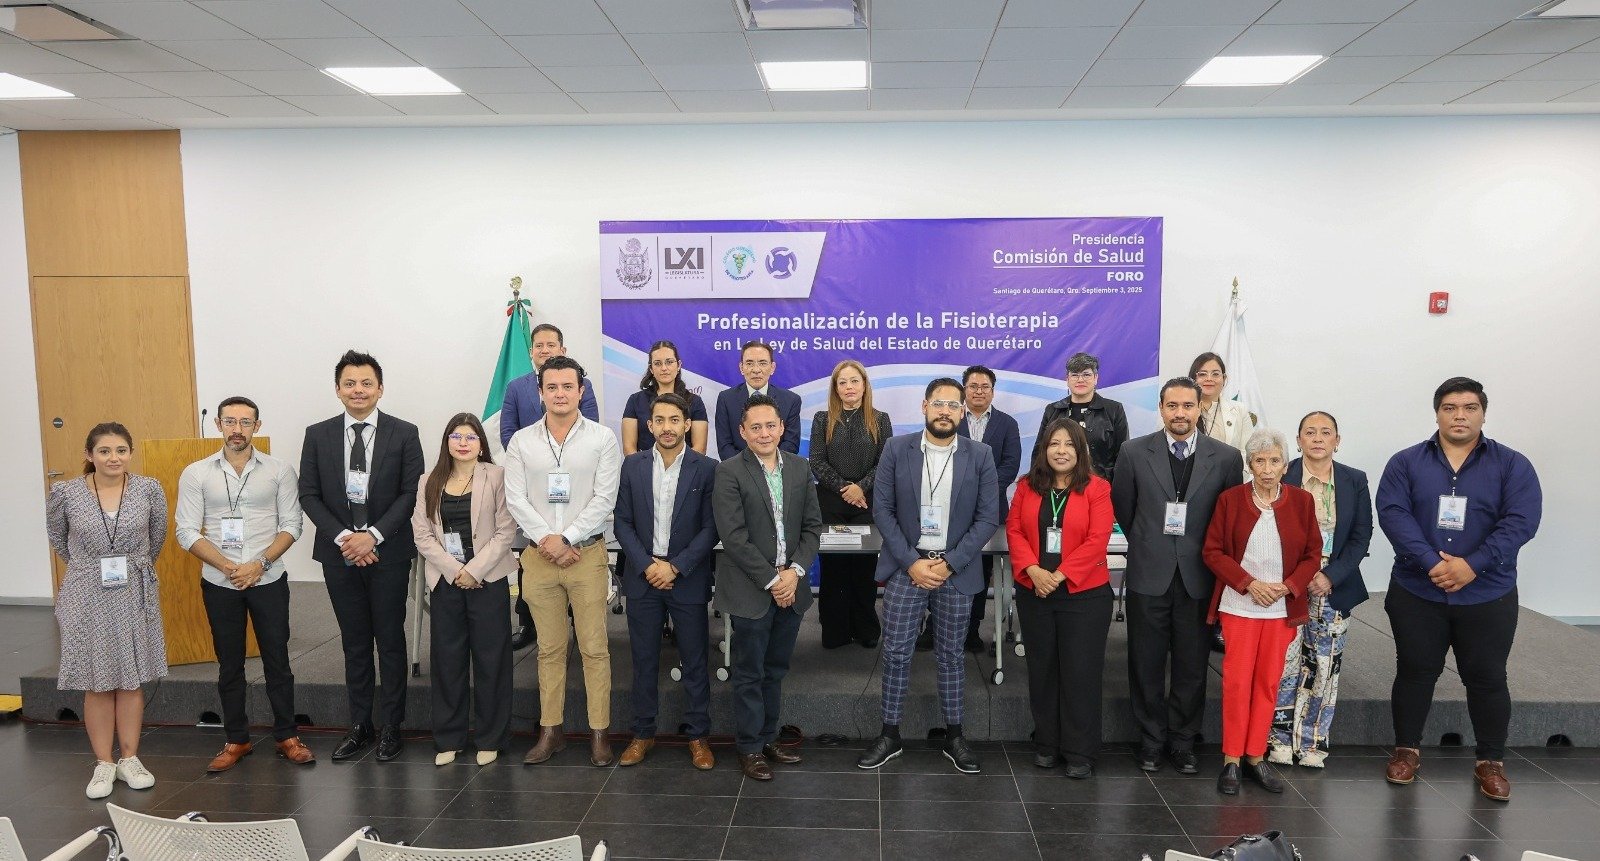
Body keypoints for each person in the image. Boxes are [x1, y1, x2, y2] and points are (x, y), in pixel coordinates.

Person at [1377, 377, 1541, 802]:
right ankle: (1406, 750)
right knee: (1415, 671)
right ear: (1437, 414)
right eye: (1450, 408)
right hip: (1418, 589)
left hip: (1487, 592)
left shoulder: (1513, 465)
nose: (1460, 416)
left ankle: (1490, 761)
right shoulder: (1405, 462)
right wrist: (1433, 563)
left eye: (1470, 407)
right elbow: (1393, 514)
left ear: (1483, 413)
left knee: (1487, 677)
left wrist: (1472, 565)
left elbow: (1521, 521)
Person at [856, 378, 999, 775]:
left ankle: (955, 737)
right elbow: (882, 510)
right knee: (896, 652)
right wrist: (912, 563)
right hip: (908, 568)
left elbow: (988, 517)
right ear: (924, 406)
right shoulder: (895, 448)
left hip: (956, 570)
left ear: (962, 412)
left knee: (952, 656)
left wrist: (950, 563)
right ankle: (890, 735)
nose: (945, 411)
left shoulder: (981, 454)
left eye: (953, 405)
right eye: (938, 403)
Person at [1111, 377, 1245, 773]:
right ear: (1161, 408)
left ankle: (1184, 742)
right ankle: (1151, 741)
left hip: (1199, 576)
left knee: (1191, 665)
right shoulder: (1133, 452)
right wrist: (1152, 543)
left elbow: (1228, 519)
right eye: (1173, 406)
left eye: (1188, 405)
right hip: (1148, 574)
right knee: (1145, 663)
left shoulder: (1226, 458)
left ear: (1200, 408)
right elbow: (1124, 509)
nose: (1180, 413)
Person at [175, 397, 314, 773]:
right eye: (230, 421)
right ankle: (237, 739)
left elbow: (292, 524)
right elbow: (185, 530)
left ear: (257, 426)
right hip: (220, 581)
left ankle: (287, 736)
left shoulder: (279, 470)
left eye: (245, 422)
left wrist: (258, 564)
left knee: (278, 661)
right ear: (218, 425)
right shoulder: (197, 473)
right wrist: (227, 566)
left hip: (268, 578)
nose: (237, 429)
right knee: (229, 664)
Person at [299, 350, 425, 763]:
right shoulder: (317, 434)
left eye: (366, 383)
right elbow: (309, 495)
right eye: (349, 383)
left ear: (380, 389)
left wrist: (372, 537)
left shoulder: (404, 433)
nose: (358, 390)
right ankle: (360, 725)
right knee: (354, 642)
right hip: (338, 554)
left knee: (389, 639)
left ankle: (392, 726)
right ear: (338, 390)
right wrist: (346, 539)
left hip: (388, 552)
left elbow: (410, 493)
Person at [505, 355, 622, 768]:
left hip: (586, 555)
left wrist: (568, 538)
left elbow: (605, 498)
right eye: (551, 387)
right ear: (540, 392)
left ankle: (599, 733)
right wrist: (549, 540)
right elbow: (516, 499)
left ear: (580, 391)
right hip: (538, 558)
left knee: (594, 649)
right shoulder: (521, 442)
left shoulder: (602, 439)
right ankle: (550, 731)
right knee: (549, 649)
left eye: (567, 387)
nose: (560, 394)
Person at [48, 422, 168, 799]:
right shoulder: (65, 493)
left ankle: (130, 758)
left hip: (133, 588)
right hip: (86, 591)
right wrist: (91, 566)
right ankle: (104, 763)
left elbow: (157, 537)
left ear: (130, 453)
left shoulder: (149, 489)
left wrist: (130, 566)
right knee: (96, 680)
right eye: (104, 451)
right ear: (89, 455)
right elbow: (59, 540)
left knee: (130, 679)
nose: (113, 458)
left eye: (120, 450)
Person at [1203, 428, 1322, 796]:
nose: (1267, 469)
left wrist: (1288, 586)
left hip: (1280, 609)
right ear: (1249, 465)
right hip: (1240, 605)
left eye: (1274, 461)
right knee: (1238, 683)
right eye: (1259, 461)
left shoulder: (1302, 502)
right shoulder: (1230, 500)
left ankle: (1256, 756)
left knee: (1268, 683)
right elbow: (1213, 552)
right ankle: (1232, 760)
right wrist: (1249, 583)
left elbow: (1312, 555)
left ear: (1285, 465)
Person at [712, 394, 822, 782]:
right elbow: (733, 536)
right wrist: (774, 580)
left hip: (792, 587)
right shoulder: (728, 471)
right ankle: (749, 748)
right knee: (749, 673)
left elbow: (812, 527)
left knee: (775, 670)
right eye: (755, 427)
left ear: (782, 428)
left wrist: (794, 572)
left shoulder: (799, 467)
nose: (764, 433)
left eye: (770, 426)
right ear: (742, 432)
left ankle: (769, 738)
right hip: (752, 589)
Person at [612, 393, 720, 770]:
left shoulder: (707, 468)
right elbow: (622, 522)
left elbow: (711, 528)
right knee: (643, 660)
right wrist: (647, 566)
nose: (667, 427)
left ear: (687, 424)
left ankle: (698, 736)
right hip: (643, 578)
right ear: (650, 425)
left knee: (695, 660)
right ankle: (642, 733)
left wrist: (674, 567)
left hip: (686, 577)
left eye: (675, 420)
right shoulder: (633, 466)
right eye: (660, 420)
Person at [1005, 418, 1113, 779]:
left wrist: (1059, 575)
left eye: (1069, 444)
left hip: (1084, 596)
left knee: (1080, 672)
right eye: (1054, 444)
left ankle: (1080, 751)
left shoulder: (1097, 488)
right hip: (1035, 592)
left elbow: (1098, 539)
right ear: (1044, 450)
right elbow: (1014, 530)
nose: (1061, 451)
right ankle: (1047, 743)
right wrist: (1033, 571)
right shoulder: (1026, 486)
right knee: (1043, 669)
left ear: (1080, 450)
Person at [410, 413, 517, 767]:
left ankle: (491, 738)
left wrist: (474, 570)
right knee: (447, 660)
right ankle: (449, 738)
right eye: (456, 436)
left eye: (471, 437)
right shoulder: (429, 480)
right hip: (447, 581)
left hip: (488, 580)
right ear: (447, 442)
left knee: (491, 660)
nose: (463, 443)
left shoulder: (497, 476)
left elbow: (505, 531)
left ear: (481, 444)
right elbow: (422, 534)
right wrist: (456, 570)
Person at [1268, 411, 1372, 768]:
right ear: (1298, 440)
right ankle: (1279, 738)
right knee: (1286, 663)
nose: (1317, 438)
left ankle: (1312, 742)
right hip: (1289, 583)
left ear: (1337, 441)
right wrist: (1299, 576)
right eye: (1309, 432)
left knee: (1324, 665)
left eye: (1325, 432)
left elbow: (1361, 535)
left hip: (1334, 584)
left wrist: (1331, 575)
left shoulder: (1354, 480)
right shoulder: (1282, 474)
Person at [500, 323, 600, 652]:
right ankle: (528, 624)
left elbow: (591, 428)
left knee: (578, 582)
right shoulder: (516, 387)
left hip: (576, 490)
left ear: (562, 349)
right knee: (532, 563)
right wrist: (534, 460)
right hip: (534, 488)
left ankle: (575, 625)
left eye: (551, 345)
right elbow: (508, 434)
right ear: (531, 352)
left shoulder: (581, 383)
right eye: (539, 345)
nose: (545, 350)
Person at [808, 360, 892, 649]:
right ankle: (835, 631)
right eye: (842, 382)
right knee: (834, 570)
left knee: (864, 570)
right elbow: (816, 461)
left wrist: (860, 487)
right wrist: (846, 489)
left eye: (854, 381)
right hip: (831, 503)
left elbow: (885, 462)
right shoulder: (822, 419)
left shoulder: (880, 419)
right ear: (835, 388)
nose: (849, 387)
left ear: (864, 385)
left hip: (866, 503)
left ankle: (865, 629)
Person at [952, 364, 1021, 653]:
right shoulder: (951, 418)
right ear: (964, 389)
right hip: (951, 508)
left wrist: (981, 490)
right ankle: (935, 627)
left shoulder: (1007, 424)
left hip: (990, 509)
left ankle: (972, 629)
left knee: (980, 570)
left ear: (992, 391)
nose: (979, 391)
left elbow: (1010, 465)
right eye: (973, 386)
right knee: (947, 563)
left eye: (985, 387)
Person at [1036, 352, 1129, 482]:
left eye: (1086, 374)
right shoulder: (1053, 410)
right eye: (1075, 375)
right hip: (1058, 483)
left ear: (1096, 378)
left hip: (1101, 484)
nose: (1080, 380)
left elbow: (1122, 456)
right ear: (1067, 379)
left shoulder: (1114, 410)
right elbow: (1039, 452)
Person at [713, 341, 802, 459]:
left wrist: (769, 465)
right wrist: (746, 467)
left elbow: (791, 445)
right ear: (741, 367)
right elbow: (725, 446)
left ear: (772, 368)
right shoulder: (726, 399)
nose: (756, 370)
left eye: (762, 363)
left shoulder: (791, 400)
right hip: (738, 468)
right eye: (749, 363)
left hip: (778, 467)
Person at [621, 340, 710, 455]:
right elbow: (629, 448)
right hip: (645, 465)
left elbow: (700, 448)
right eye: (658, 363)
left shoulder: (694, 401)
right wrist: (646, 465)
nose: (664, 368)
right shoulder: (635, 401)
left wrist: (679, 466)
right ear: (651, 369)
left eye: (669, 362)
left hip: (686, 466)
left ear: (679, 365)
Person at [1190, 352, 1252, 453]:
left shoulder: (1240, 410)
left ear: (1224, 378)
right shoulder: (1183, 410)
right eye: (1202, 374)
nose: (1209, 379)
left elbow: (1248, 453)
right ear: (1193, 378)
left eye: (1215, 374)